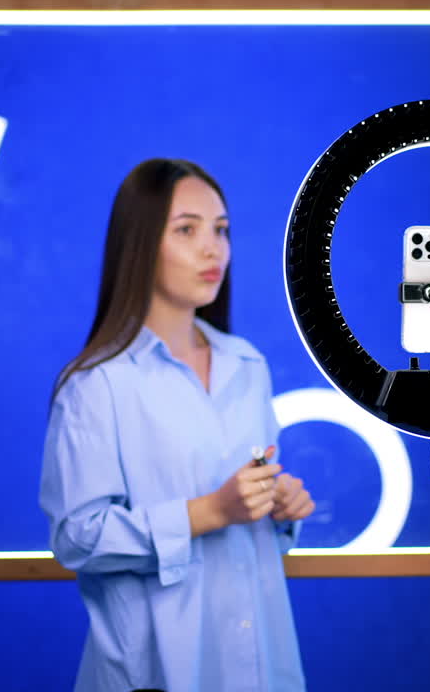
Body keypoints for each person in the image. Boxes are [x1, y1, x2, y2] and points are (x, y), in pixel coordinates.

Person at [40, 158, 315, 692]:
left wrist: (279, 508)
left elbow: (255, 530)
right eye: (187, 230)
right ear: (140, 244)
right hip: (156, 669)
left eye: (221, 230)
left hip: (261, 664)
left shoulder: (247, 364)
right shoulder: (97, 385)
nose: (213, 249)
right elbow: (77, 538)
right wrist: (209, 511)